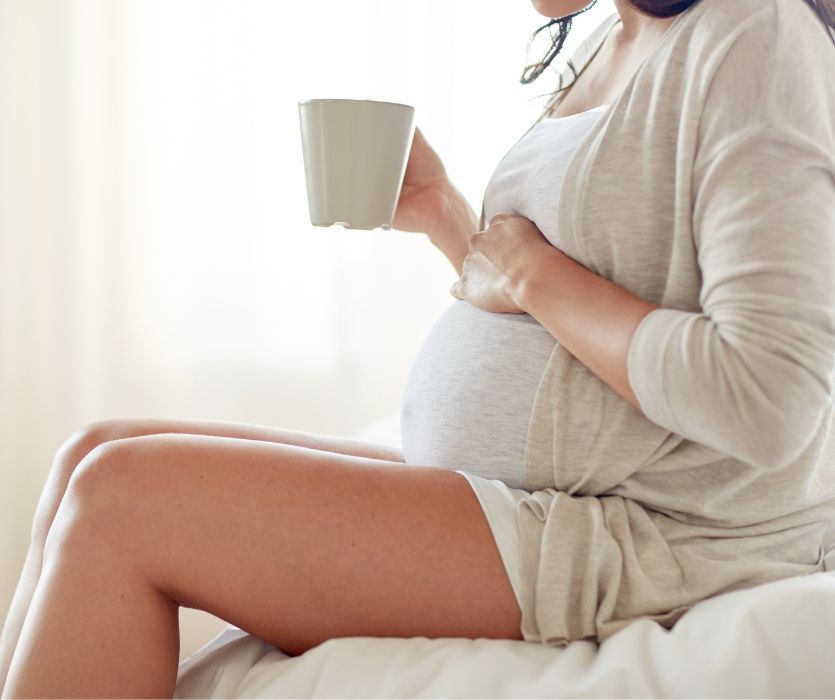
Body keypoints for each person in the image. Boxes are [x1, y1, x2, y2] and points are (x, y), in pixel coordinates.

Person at [2, 0, 835, 696]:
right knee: (95, 451)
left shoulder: (752, 36)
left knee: (124, 500)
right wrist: (448, 219)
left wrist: (535, 274)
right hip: (527, 491)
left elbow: (770, 398)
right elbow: (558, 295)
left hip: (646, 537)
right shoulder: (606, 39)